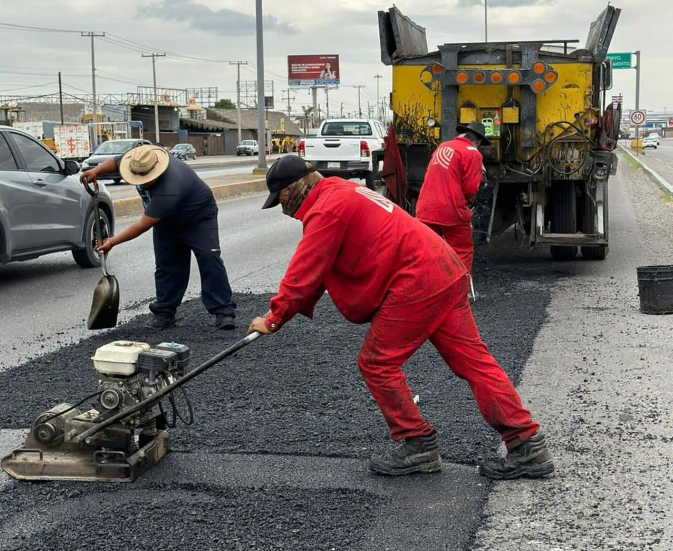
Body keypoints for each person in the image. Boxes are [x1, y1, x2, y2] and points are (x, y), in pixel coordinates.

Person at [247, 156, 554, 480]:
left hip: (417, 281)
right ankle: (527, 445)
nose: (283, 208)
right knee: (474, 362)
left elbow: (304, 272)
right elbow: (318, 273)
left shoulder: (326, 209)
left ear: (294, 189)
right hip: (443, 268)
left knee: (376, 363)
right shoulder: (339, 191)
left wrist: (273, 318)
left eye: (280, 198)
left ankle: (417, 444)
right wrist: (279, 314)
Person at [80, 145, 237, 330]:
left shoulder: (169, 188)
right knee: (167, 264)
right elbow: (116, 162)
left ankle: (224, 311)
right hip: (165, 220)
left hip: (198, 217)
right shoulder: (138, 160)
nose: (140, 181)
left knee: (209, 259)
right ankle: (165, 313)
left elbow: (141, 226)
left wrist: (112, 242)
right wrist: (95, 171)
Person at [415, 122, 489, 274]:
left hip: (425, 208)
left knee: (428, 250)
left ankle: (429, 287)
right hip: (451, 210)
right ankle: (459, 292)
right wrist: (468, 204)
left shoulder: (443, 146)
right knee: (462, 250)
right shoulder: (473, 153)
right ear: (479, 142)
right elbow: (470, 188)